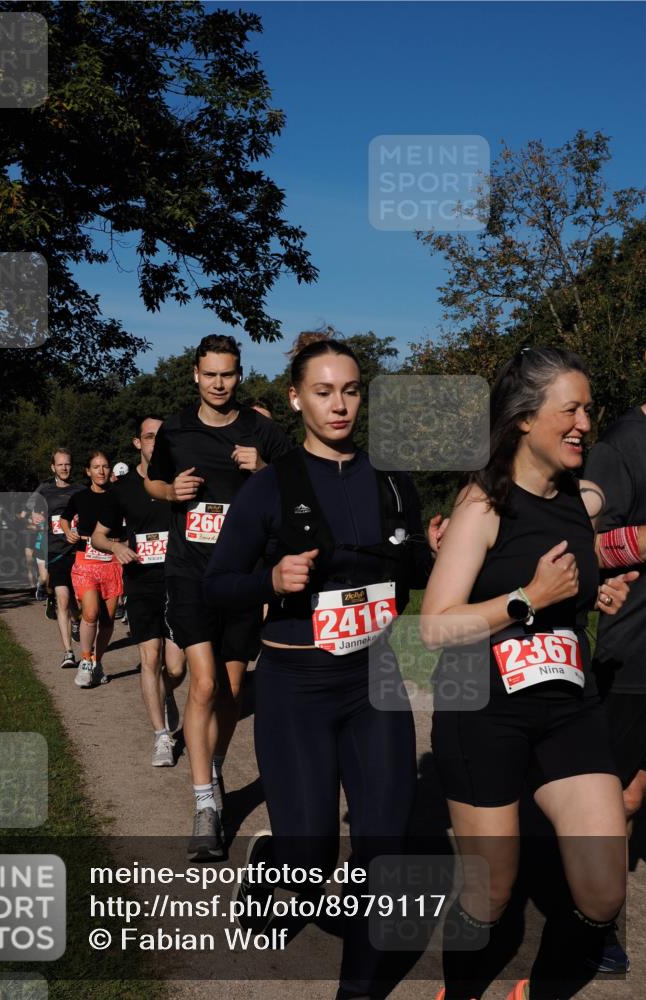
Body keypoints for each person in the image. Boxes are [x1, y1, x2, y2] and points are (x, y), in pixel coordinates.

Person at [204, 332, 444, 998]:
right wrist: (270, 582)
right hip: (295, 688)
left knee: (382, 850)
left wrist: (433, 552)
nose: (340, 405)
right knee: (311, 857)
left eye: (350, 390)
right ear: (295, 399)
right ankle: (274, 864)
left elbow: (408, 576)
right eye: (323, 392)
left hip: (375, 682)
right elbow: (217, 583)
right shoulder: (270, 489)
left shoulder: (394, 480)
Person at [421, 347, 638, 1000]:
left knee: (603, 889)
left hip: (567, 708)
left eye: (590, 410)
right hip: (482, 711)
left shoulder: (580, 499)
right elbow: (433, 626)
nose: (583, 423)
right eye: (569, 409)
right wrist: (527, 600)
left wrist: (591, 595)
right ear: (523, 418)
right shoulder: (484, 504)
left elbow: (572, 579)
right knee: (493, 892)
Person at [145, 333, 291, 860]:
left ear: (238, 375)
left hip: (244, 576)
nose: (218, 383)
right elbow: (154, 484)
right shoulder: (176, 430)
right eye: (210, 374)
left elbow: (301, 487)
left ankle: (215, 766)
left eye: (227, 374)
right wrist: (171, 492)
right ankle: (205, 802)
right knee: (203, 684)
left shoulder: (262, 431)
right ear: (195, 375)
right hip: (189, 573)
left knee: (230, 688)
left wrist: (265, 470)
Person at [92, 418, 186, 765]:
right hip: (141, 582)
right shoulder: (124, 488)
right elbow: (98, 536)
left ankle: (166, 693)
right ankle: (161, 737)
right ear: (137, 443)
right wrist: (116, 549)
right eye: (149, 437)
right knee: (151, 657)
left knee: (176, 667)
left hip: (178, 580)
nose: (156, 443)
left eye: (162, 437)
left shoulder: (179, 480)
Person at [585, 402, 646, 830]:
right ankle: (598, 897)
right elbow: (589, 545)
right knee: (618, 797)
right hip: (633, 656)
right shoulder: (621, 445)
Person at [60, 450, 123, 688]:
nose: (101, 471)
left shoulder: (119, 496)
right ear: (88, 471)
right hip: (86, 562)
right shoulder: (80, 497)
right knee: (90, 613)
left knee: (107, 621)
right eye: (96, 467)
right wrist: (69, 532)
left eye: (105, 466)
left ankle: (97, 662)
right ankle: (85, 661)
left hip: (113, 563)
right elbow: (65, 518)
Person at [33, 449, 86, 669]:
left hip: (78, 552)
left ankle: (76, 622)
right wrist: (34, 517)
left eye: (68, 464)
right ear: (53, 467)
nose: (64, 468)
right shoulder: (44, 491)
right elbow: (29, 513)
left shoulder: (81, 490)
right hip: (55, 552)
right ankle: (68, 652)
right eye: (60, 464)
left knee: (77, 603)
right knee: (63, 599)